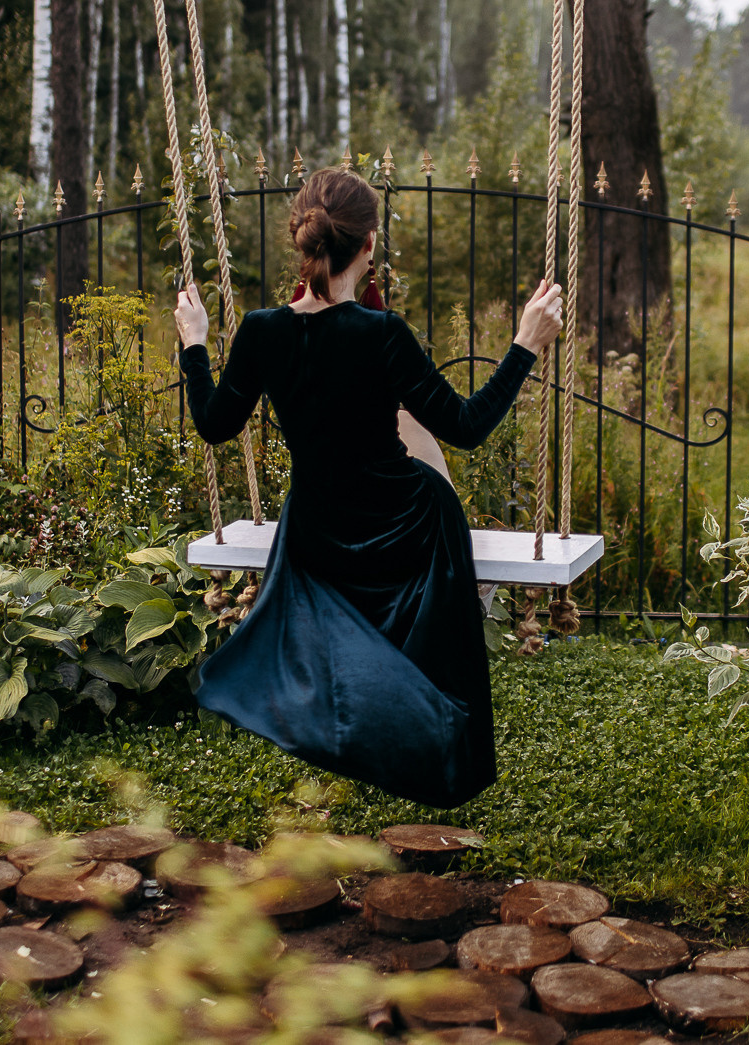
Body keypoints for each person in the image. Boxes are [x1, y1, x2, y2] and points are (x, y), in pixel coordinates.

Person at [174, 168, 563, 808]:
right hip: (403, 530)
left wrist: (195, 344)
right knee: (427, 477)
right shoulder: (383, 335)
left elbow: (215, 426)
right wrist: (524, 344)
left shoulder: (261, 332)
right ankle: (436, 749)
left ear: (304, 242)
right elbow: (466, 427)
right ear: (369, 246)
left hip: (321, 534)